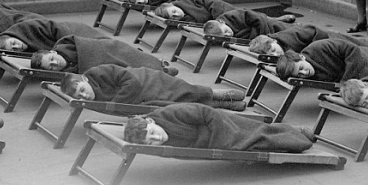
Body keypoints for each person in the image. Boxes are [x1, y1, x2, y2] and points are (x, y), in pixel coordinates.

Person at [123, 102, 315, 152]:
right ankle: (294, 135)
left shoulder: (170, 114)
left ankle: (296, 132)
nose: (158, 138)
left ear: (151, 122)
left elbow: (206, 112)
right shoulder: (160, 136)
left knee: (256, 134)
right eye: (151, 141)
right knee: (256, 142)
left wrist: (222, 141)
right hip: (211, 139)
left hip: (219, 125)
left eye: (153, 133)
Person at [60, 64, 247, 111]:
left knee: (186, 90)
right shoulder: (92, 101)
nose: (85, 96)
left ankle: (220, 94)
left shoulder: (99, 72)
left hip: (148, 80)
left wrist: (117, 104)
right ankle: (221, 104)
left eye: (82, 90)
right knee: (178, 104)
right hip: (144, 99)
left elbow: (130, 80)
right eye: (79, 97)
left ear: (85, 79)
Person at [24, 34, 180, 76]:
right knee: (118, 68)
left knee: (123, 53)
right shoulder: (68, 72)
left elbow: (97, 45)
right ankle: (158, 70)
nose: (55, 63)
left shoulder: (70, 46)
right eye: (51, 67)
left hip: (109, 49)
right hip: (107, 65)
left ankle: (157, 65)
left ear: (53, 52)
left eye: (52, 59)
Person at [248, 25, 368, 59]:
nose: (276, 54)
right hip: (324, 48)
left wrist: (318, 47)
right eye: (271, 54)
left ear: (274, 41)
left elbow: (312, 30)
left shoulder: (291, 37)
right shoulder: (281, 49)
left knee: (359, 45)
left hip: (327, 38)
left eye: (273, 50)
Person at [154, 0, 298, 25]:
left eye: (174, 12)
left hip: (218, 9)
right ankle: (275, 21)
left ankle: (274, 20)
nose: (176, 15)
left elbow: (208, 1)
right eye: (173, 17)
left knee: (244, 15)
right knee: (245, 19)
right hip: (217, 21)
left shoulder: (185, 0)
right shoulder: (185, 20)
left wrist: (220, 16)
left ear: (172, 5)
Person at [0, 17, 107, 52]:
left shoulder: (30, 28)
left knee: (102, 44)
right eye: (14, 49)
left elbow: (57, 28)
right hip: (66, 41)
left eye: (13, 43)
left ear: (14, 36)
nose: (17, 47)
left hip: (72, 31)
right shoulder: (28, 44)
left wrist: (69, 45)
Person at [202, 8, 297, 40]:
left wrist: (263, 35)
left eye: (226, 31)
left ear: (222, 22)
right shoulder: (222, 31)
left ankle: (295, 27)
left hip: (261, 23)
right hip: (253, 30)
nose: (228, 34)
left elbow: (256, 18)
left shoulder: (233, 17)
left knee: (276, 26)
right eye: (225, 36)